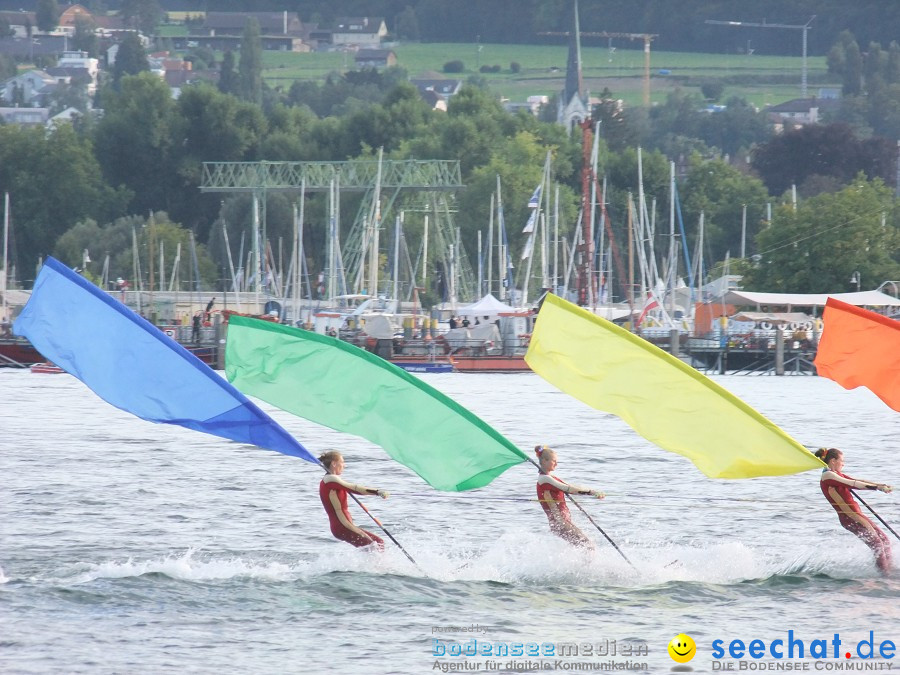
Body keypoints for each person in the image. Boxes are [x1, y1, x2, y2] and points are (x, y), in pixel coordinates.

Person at [815, 448, 893, 573]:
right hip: (850, 517)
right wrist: (876, 488)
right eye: (842, 461)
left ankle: (890, 570)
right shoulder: (827, 476)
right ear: (833, 461)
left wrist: (879, 485)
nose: (843, 464)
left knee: (884, 540)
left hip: (857, 515)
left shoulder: (835, 474)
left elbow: (858, 480)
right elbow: (853, 483)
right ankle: (885, 576)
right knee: (877, 544)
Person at [535, 445, 604, 548]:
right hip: (560, 523)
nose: (556, 464)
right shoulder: (544, 480)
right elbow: (570, 489)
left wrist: (591, 492)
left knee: (585, 546)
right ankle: (585, 564)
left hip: (562, 523)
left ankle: (579, 564)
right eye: (554, 461)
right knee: (588, 546)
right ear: (544, 461)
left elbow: (571, 486)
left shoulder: (550, 478)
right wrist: (591, 492)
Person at [319, 451, 389, 550]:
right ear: (334, 463)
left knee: (379, 543)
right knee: (372, 547)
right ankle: (377, 566)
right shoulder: (330, 479)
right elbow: (354, 488)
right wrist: (377, 492)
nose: (344, 465)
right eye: (342, 462)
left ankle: (378, 565)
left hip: (346, 525)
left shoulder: (333, 480)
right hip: (342, 525)